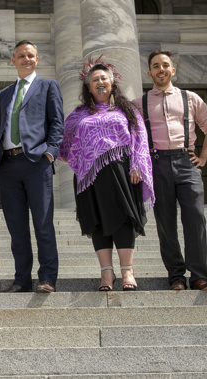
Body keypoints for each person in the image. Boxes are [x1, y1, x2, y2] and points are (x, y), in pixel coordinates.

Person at [59, 60, 154, 291]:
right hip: (89, 176)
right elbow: (64, 145)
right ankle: (106, 274)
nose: (100, 82)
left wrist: (138, 164)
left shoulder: (127, 110)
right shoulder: (78, 115)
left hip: (122, 172)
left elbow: (140, 137)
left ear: (112, 83)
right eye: (95, 80)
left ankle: (127, 271)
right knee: (97, 222)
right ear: (88, 88)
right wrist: (83, 160)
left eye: (103, 78)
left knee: (123, 220)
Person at [132, 49, 207, 291]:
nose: (161, 69)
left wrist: (203, 156)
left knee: (195, 219)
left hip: (186, 162)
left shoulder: (190, 98)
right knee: (165, 222)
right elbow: (128, 134)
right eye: (156, 66)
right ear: (149, 72)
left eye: (165, 65)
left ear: (173, 69)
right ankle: (176, 276)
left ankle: (199, 275)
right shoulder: (139, 103)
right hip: (156, 164)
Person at [0, 40, 64, 294]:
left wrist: (50, 153)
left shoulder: (48, 86)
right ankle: (21, 279)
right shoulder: (4, 94)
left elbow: (57, 123)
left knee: (43, 223)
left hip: (36, 162)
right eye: (21, 56)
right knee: (16, 226)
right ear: (13, 60)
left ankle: (47, 277)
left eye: (30, 55)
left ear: (37, 59)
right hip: (8, 166)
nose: (26, 59)